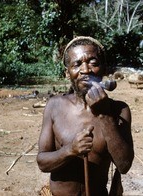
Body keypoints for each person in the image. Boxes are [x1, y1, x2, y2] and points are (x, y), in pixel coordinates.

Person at [36, 36, 134, 196]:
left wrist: (104, 116)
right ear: (67, 73)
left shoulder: (118, 110)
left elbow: (124, 165)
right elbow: (42, 163)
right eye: (77, 64)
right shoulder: (55, 105)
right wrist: (70, 150)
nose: (86, 70)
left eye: (93, 63)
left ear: (104, 69)